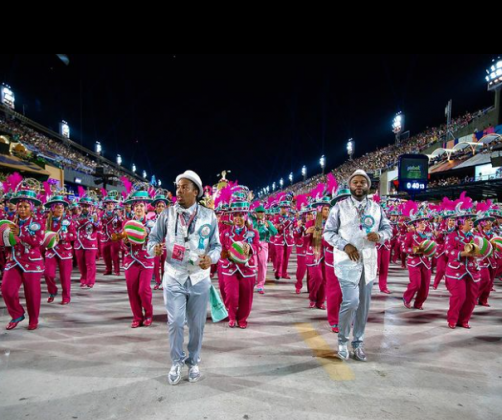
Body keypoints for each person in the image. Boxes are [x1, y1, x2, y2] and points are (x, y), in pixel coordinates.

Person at [148, 170, 221, 385]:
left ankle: (194, 360)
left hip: (199, 277)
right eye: (177, 187)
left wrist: (211, 258)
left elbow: (217, 246)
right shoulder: (167, 214)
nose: (178, 191)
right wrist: (155, 249)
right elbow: (152, 240)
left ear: (195, 192)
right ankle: (176, 361)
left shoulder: (209, 215)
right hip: (173, 275)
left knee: (197, 324)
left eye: (184, 187)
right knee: (176, 322)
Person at [324, 170, 392, 362]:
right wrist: (344, 245)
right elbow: (328, 233)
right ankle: (342, 341)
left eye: (363, 182)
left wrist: (380, 236)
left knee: (364, 305)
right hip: (347, 261)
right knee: (351, 301)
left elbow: (388, 228)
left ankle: (358, 342)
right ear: (350, 186)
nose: (359, 185)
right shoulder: (339, 207)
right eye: (356, 182)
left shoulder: (377, 208)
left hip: (369, 262)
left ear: (368, 186)